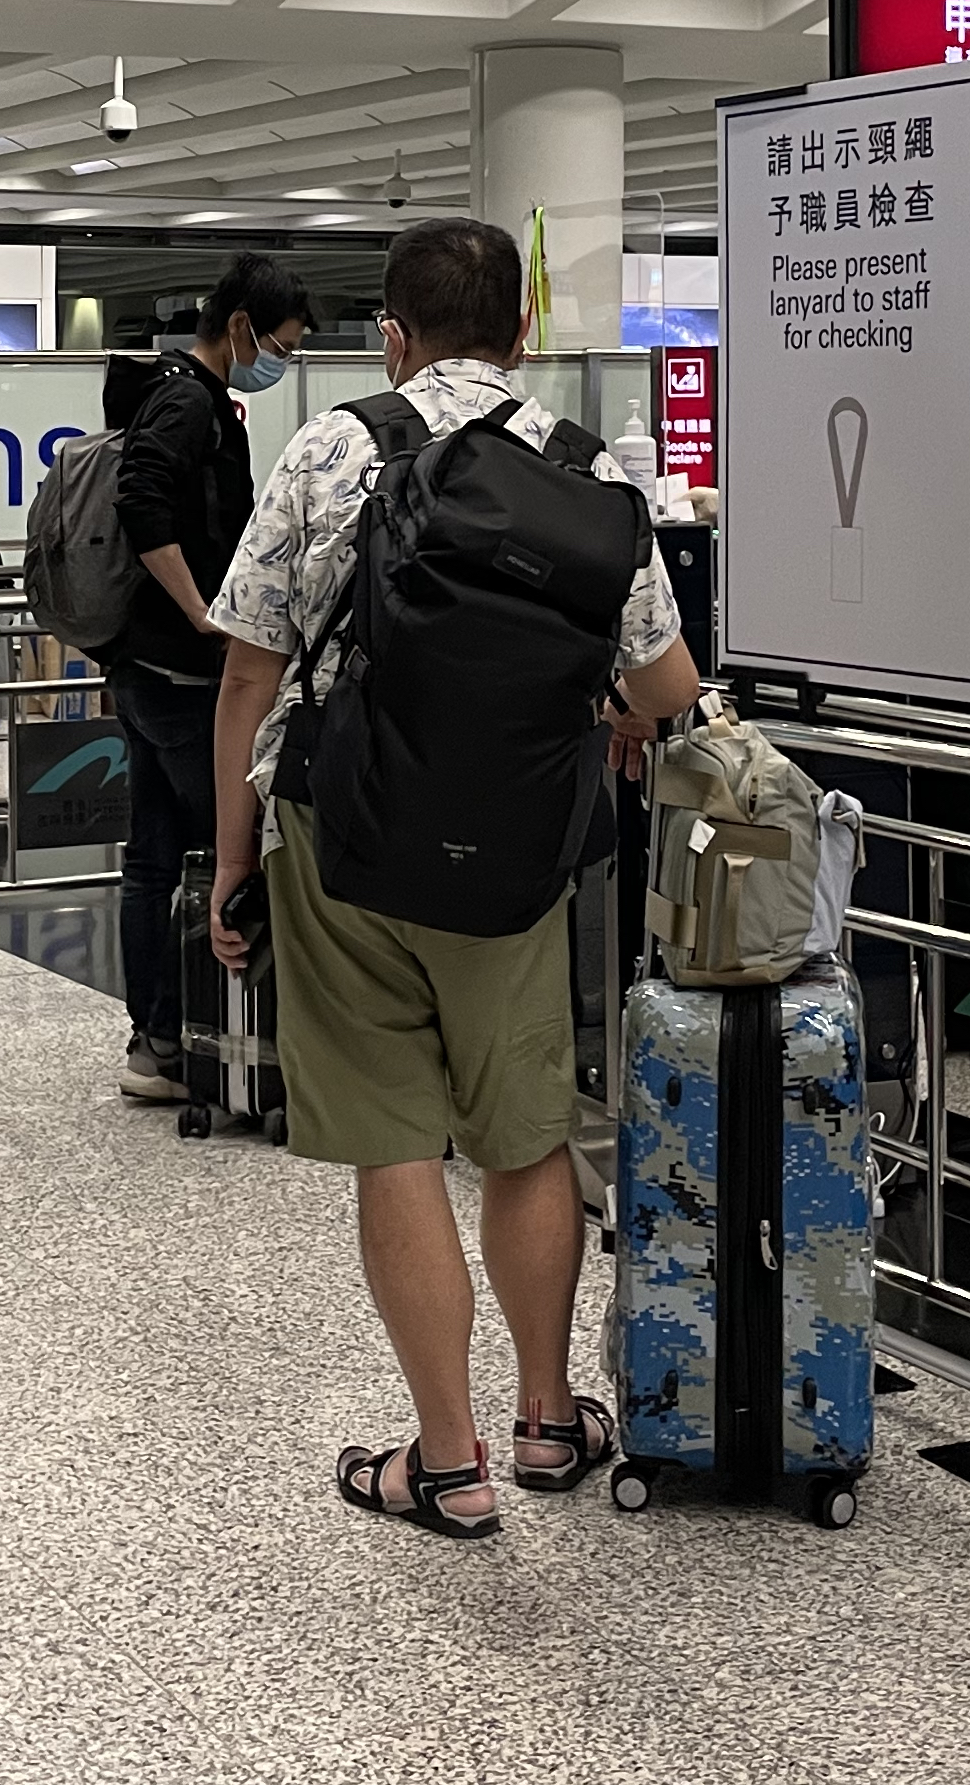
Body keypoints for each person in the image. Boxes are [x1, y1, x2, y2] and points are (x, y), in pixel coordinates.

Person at [207, 217, 699, 1536]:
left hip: (342, 837)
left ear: (394, 333)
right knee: (528, 1133)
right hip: (519, 853)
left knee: (397, 1143)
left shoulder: (329, 445)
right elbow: (669, 689)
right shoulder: (588, 472)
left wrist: (232, 864)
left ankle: (447, 1461)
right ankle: (549, 1420)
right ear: (524, 336)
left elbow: (250, 665)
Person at [104, 255, 316, 1106]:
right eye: (284, 345)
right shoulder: (189, 400)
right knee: (213, 852)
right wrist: (205, 610)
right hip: (183, 674)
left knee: (152, 859)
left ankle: (155, 1038)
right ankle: (192, 1035)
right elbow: (141, 500)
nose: (284, 362)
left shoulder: (172, 393)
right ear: (239, 328)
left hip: (140, 666)